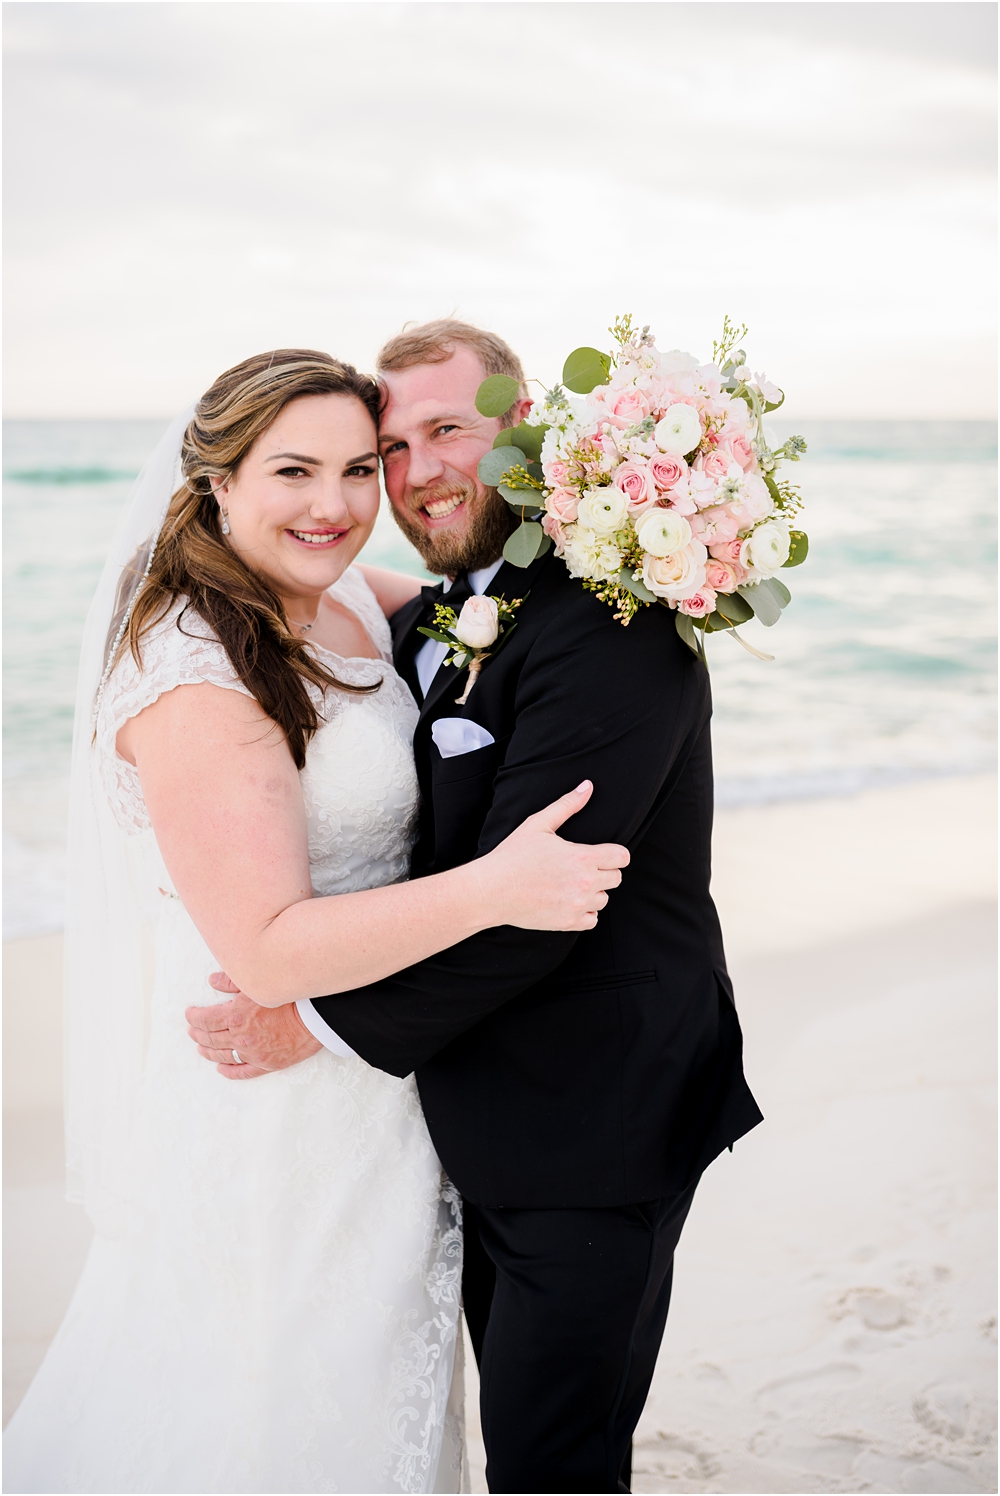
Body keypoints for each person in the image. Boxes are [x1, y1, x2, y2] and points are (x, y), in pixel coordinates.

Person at [2, 348, 630, 1495]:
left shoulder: (343, 597)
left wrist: (642, 532)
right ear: (218, 482)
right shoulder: (194, 666)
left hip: (382, 1084)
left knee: (377, 1391)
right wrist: (494, 886)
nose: (338, 505)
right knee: (270, 1401)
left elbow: (494, 613)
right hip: (274, 1107)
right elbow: (265, 948)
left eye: (361, 464)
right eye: (293, 470)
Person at [186, 321, 764, 1493]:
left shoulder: (613, 623)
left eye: (449, 428)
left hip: (596, 1113)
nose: (418, 471)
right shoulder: (450, 611)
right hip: (474, 1109)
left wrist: (314, 1025)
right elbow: (341, 612)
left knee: (554, 1457)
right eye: (388, 448)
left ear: (531, 433)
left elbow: (533, 900)